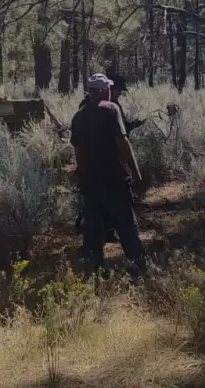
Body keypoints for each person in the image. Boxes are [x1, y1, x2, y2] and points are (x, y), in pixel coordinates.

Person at [70, 73, 147, 275]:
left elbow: (78, 153)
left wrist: (84, 178)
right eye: (109, 89)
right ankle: (138, 265)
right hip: (114, 179)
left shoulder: (78, 116)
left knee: (93, 228)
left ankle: (92, 268)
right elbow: (122, 143)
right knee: (126, 224)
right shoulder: (111, 109)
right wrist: (136, 173)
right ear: (104, 90)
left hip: (91, 183)